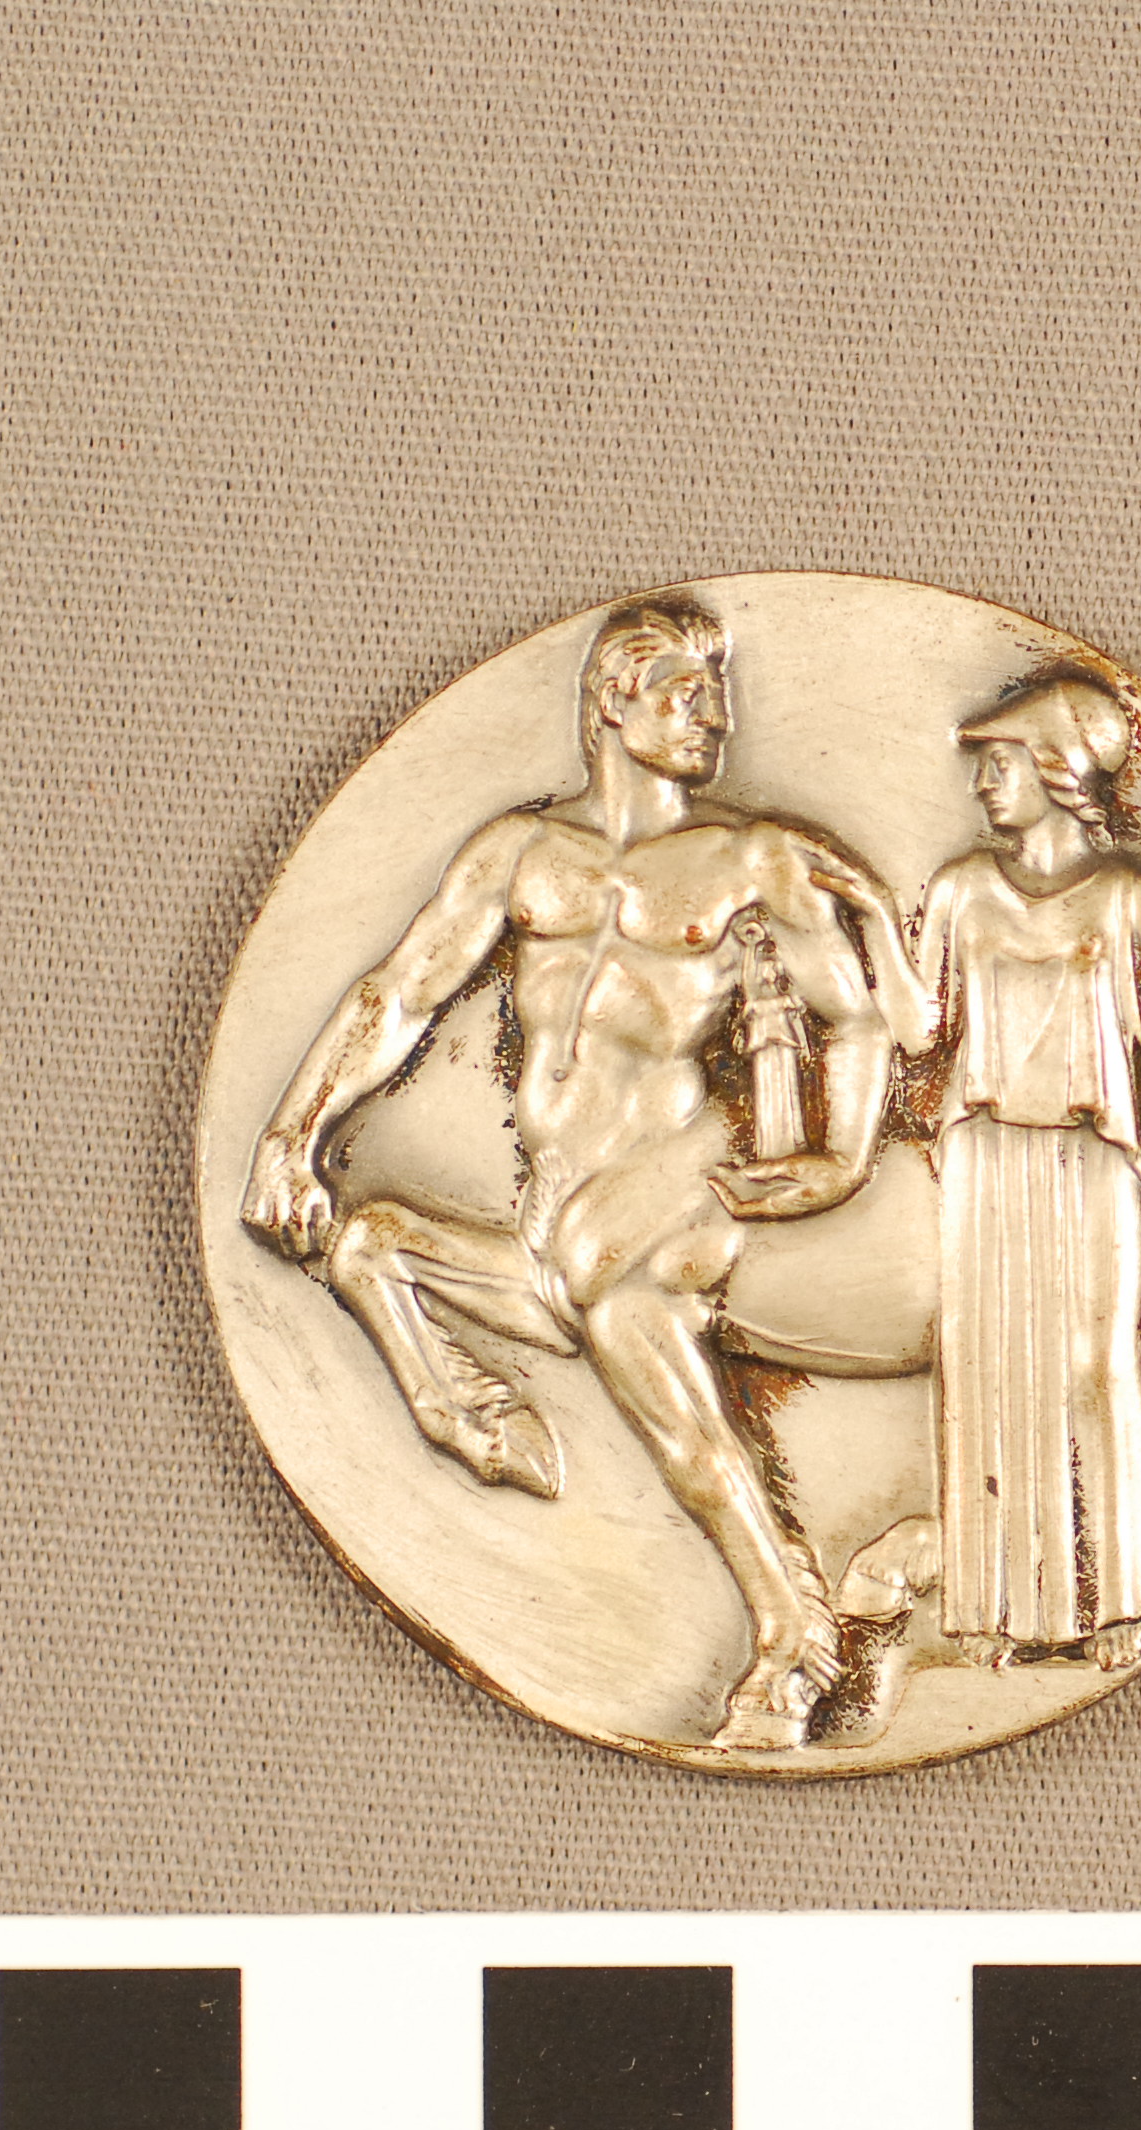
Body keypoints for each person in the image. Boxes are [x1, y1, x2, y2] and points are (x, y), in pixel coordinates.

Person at [240, 600, 894, 1748]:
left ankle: (794, 1642)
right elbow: (397, 994)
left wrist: (837, 1160)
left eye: (717, 699)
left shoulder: (748, 859)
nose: (714, 721)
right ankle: (460, 1414)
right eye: (686, 696)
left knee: (631, 1327)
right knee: (370, 1243)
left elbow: (859, 1015)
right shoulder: (518, 854)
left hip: (680, 1167)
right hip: (562, 1192)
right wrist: (290, 1135)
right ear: (612, 700)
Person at [863, 676, 1141, 1660]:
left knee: (1095, 1367)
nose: (983, 783)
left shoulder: (1136, 900)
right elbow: (920, 1029)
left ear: (1059, 771)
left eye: (1002, 762)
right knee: (982, 1372)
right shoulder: (958, 891)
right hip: (983, 1154)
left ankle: (1120, 1600)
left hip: (1091, 1158)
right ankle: (992, 1610)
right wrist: (865, 915)